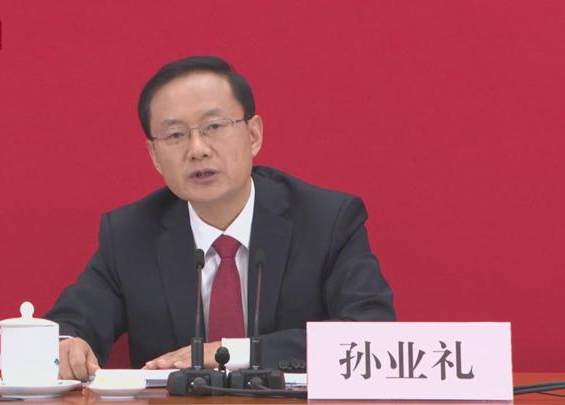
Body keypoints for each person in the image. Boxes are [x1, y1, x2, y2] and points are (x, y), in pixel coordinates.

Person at [45, 55, 395, 381]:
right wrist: (66, 346)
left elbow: (371, 336)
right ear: (153, 155)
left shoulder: (327, 221)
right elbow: (69, 326)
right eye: (175, 135)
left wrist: (229, 353)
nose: (197, 149)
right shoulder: (130, 235)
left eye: (214, 126)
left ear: (253, 135)